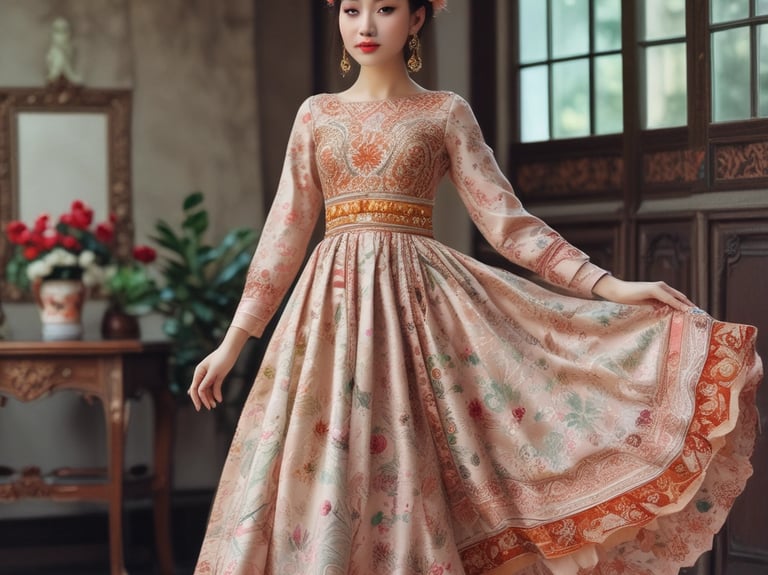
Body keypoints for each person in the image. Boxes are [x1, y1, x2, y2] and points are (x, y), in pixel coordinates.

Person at [188, 1, 763, 573]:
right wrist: (233, 343)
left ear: (416, 19)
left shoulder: (443, 113)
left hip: (417, 316)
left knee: (415, 464)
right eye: (350, 9)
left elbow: (506, 223)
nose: (364, 26)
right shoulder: (315, 114)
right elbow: (284, 233)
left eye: (385, 9)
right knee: (322, 460)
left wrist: (606, 286)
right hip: (327, 319)